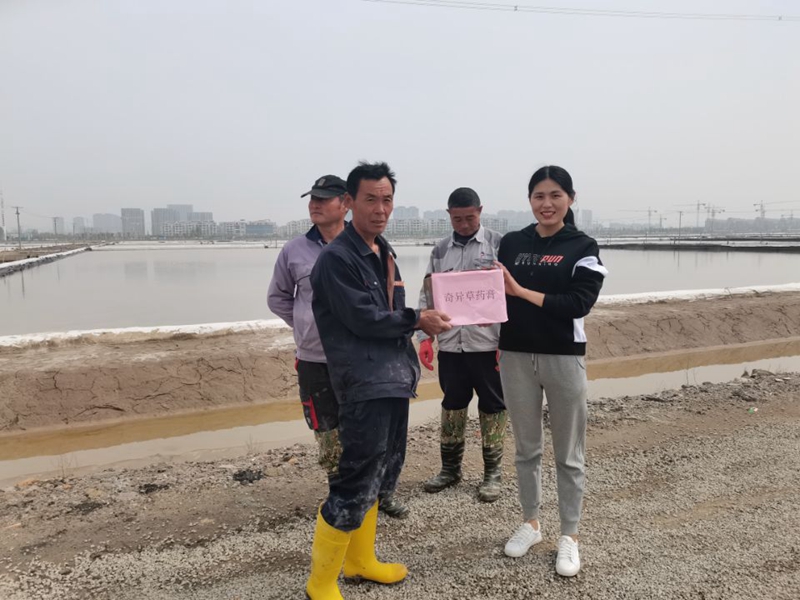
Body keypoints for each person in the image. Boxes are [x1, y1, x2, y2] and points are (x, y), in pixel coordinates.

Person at [305, 161, 452, 599]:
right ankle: (320, 583)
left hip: (391, 378)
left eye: (387, 199)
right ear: (350, 202)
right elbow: (363, 318)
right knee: (354, 479)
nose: (380, 208)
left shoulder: (382, 252)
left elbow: (390, 314)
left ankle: (360, 562)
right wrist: (417, 319)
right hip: (362, 381)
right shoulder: (337, 258)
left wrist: (418, 329)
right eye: (371, 199)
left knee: (382, 474)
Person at [267, 173, 409, 519]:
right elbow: (278, 298)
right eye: (312, 199)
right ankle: (340, 497)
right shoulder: (294, 250)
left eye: (323, 198)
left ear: (345, 203)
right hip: (316, 359)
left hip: (360, 360)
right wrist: (308, 326)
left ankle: (381, 493)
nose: (314, 204)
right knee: (328, 430)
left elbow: (387, 301)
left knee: (373, 433)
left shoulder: (371, 246)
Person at [495, 165, 607, 578]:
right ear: (530, 200)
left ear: (570, 199)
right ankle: (531, 523)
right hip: (514, 355)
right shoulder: (511, 243)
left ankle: (570, 535)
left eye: (555, 195)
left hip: (563, 356)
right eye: (539, 196)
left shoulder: (583, 245)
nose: (547, 203)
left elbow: (577, 303)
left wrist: (522, 292)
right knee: (526, 449)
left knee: (569, 454)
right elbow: (495, 297)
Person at [418, 187, 507, 503]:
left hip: (489, 345)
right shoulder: (440, 250)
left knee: (493, 405)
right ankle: (450, 470)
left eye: (470, 217)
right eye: (457, 219)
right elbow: (428, 294)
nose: (464, 224)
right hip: (451, 346)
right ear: (449, 215)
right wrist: (424, 337)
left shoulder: (499, 244)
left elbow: (512, 295)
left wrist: (508, 340)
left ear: (480, 211)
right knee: (452, 403)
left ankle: (492, 474)